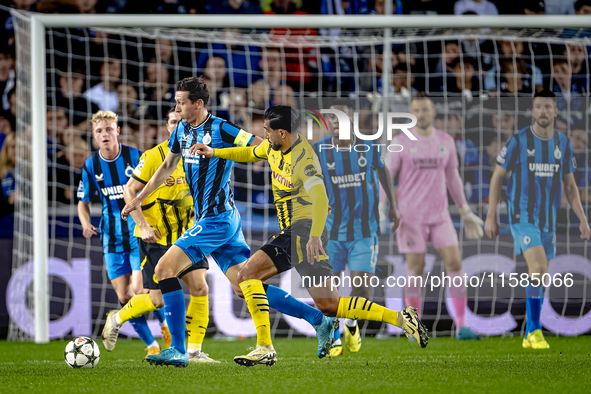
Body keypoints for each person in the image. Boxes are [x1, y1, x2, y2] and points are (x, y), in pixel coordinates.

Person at [122, 77, 340, 367]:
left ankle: (177, 349)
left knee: (164, 269)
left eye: (180, 102)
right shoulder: (182, 132)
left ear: (197, 104)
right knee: (243, 285)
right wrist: (138, 199)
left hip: (218, 218)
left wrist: (284, 160)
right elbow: (166, 166)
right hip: (220, 220)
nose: (176, 107)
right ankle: (317, 319)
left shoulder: (221, 128)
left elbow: (257, 146)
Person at [190, 105, 428, 367]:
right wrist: (215, 152)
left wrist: (314, 236)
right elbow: (249, 152)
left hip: (303, 231)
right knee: (329, 304)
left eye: (267, 131)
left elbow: (320, 196)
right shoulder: (273, 146)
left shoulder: (304, 160)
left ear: (283, 133)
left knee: (246, 276)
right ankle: (401, 318)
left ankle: (264, 347)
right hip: (300, 234)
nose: (264, 135)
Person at [102, 108, 219, 363]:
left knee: (200, 287)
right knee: (155, 300)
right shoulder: (154, 156)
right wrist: (143, 226)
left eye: (182, 122)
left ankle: (195, 351)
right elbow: (129, 191)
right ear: (167, 127)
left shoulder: (198, 156)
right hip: (156, 236)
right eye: (173, 122)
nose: (178, 126)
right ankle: (118, 317)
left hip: (187, 235)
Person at [485, 89, 591, 349]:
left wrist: (583, 219)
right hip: (521, 214)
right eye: (538, 107)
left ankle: (529, 334)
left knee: (541, 276)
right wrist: (491, 216)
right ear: (533, 111)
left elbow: (570, 186)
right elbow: (497, 177)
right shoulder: (518, 141)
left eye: (548, 107)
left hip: (548, 218)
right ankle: (533, 330)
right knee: (539, 267)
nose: (543, 111)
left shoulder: (563, 143)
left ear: (556, 111)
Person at [387, 94, 484, 340]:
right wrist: (384, 206)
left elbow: (453, 177)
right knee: (415, 268)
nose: (421, 114)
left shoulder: (446, 141)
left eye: (425, 109)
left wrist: (465, 210)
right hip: (411, 217)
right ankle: (413, 326)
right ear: (411, 114)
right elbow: (386, 176)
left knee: (455, 264)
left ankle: (462, 326)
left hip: (440, 216)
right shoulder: (400, 142)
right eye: (416, 110)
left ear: (433, 112)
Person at [311, 98, 400, 356]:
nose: (338, 123)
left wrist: (392, 205)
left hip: (364, 230)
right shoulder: (318, 150)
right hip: (331, 231)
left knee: (363, 287)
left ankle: (351, 322)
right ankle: (334, 336)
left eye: (343, 117)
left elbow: (383, 172)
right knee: (330, 289)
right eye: (334, 118)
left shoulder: (369, 147)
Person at [77, 110, 160, 358]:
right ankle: (151, 344)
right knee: (124, 295)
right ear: (94, 135)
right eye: (100, 131)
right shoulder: (91, 164)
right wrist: (85, 222)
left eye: (109, 129)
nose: (105, 134)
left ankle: (166, 329)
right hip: (110, 239)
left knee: (141, 289)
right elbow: (83, 201)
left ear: (118, 131)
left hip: (136, 233)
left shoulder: (135, 156)